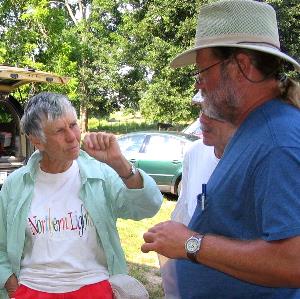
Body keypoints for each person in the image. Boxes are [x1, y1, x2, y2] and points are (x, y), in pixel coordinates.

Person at [142, 0, 300, 298]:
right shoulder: (256, 129)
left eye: (204, 70)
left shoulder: (277, 140)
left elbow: (293, 262)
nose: (199, 84)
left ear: (241, 65)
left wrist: (190, 243)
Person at [0, 92, 163, 299]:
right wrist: (12, 285)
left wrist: (120, 164)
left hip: (94, 286)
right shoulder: (16, 185)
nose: (72, 137)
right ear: (37, 141)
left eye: (73, 125)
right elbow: (1, 244)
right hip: (33, 288)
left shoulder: (100, 174)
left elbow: (148, 207)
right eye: (60, 130)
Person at [160, 92, 236, 298]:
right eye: (202, 109)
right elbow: (184, 216)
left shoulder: (264, 156)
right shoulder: (194, 152)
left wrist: (191, 244)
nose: (202, 119)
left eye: (213, 111)